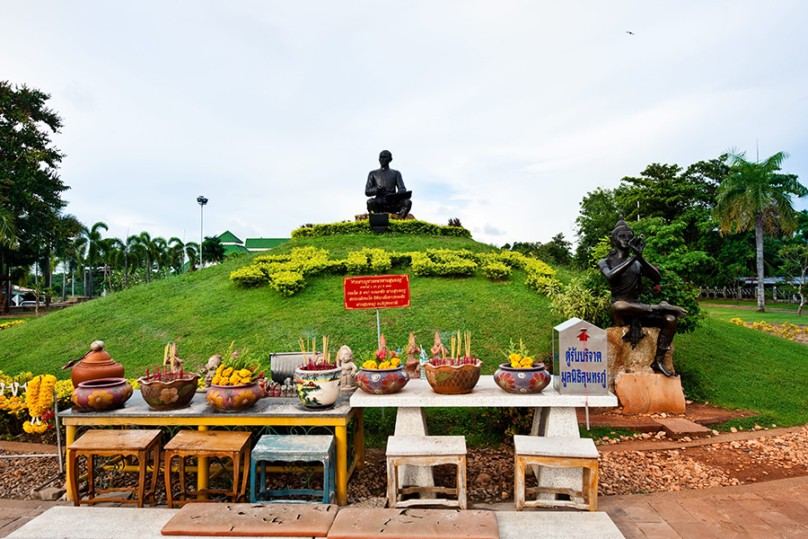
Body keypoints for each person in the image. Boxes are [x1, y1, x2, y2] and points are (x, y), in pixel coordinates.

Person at [598, 217, 687, 377]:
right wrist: (633, 258)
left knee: (670, 320)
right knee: (620, 305)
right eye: (622, 236)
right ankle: (660, 306)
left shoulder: (638, 263)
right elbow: (610, 276)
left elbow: (657, 278)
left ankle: (658, 360)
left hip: (639, 310)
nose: (626, 240)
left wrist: (640, 258)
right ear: (614, 240)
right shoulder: (605, 261)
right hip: (621, 313)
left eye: (629, 237)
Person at [365, 150, 412, 219]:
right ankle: (378, 220)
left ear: (390, 159)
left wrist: (401, 192)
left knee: (407, 202)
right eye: (381, 157)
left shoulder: (396, 173)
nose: (382, 159)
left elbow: (402, 188)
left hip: (392, 202)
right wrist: (377, 190)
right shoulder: (373, 173)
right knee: (370, 202)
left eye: (385, 157)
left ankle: (398, 221)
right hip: (380, 201)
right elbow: (367, 191)